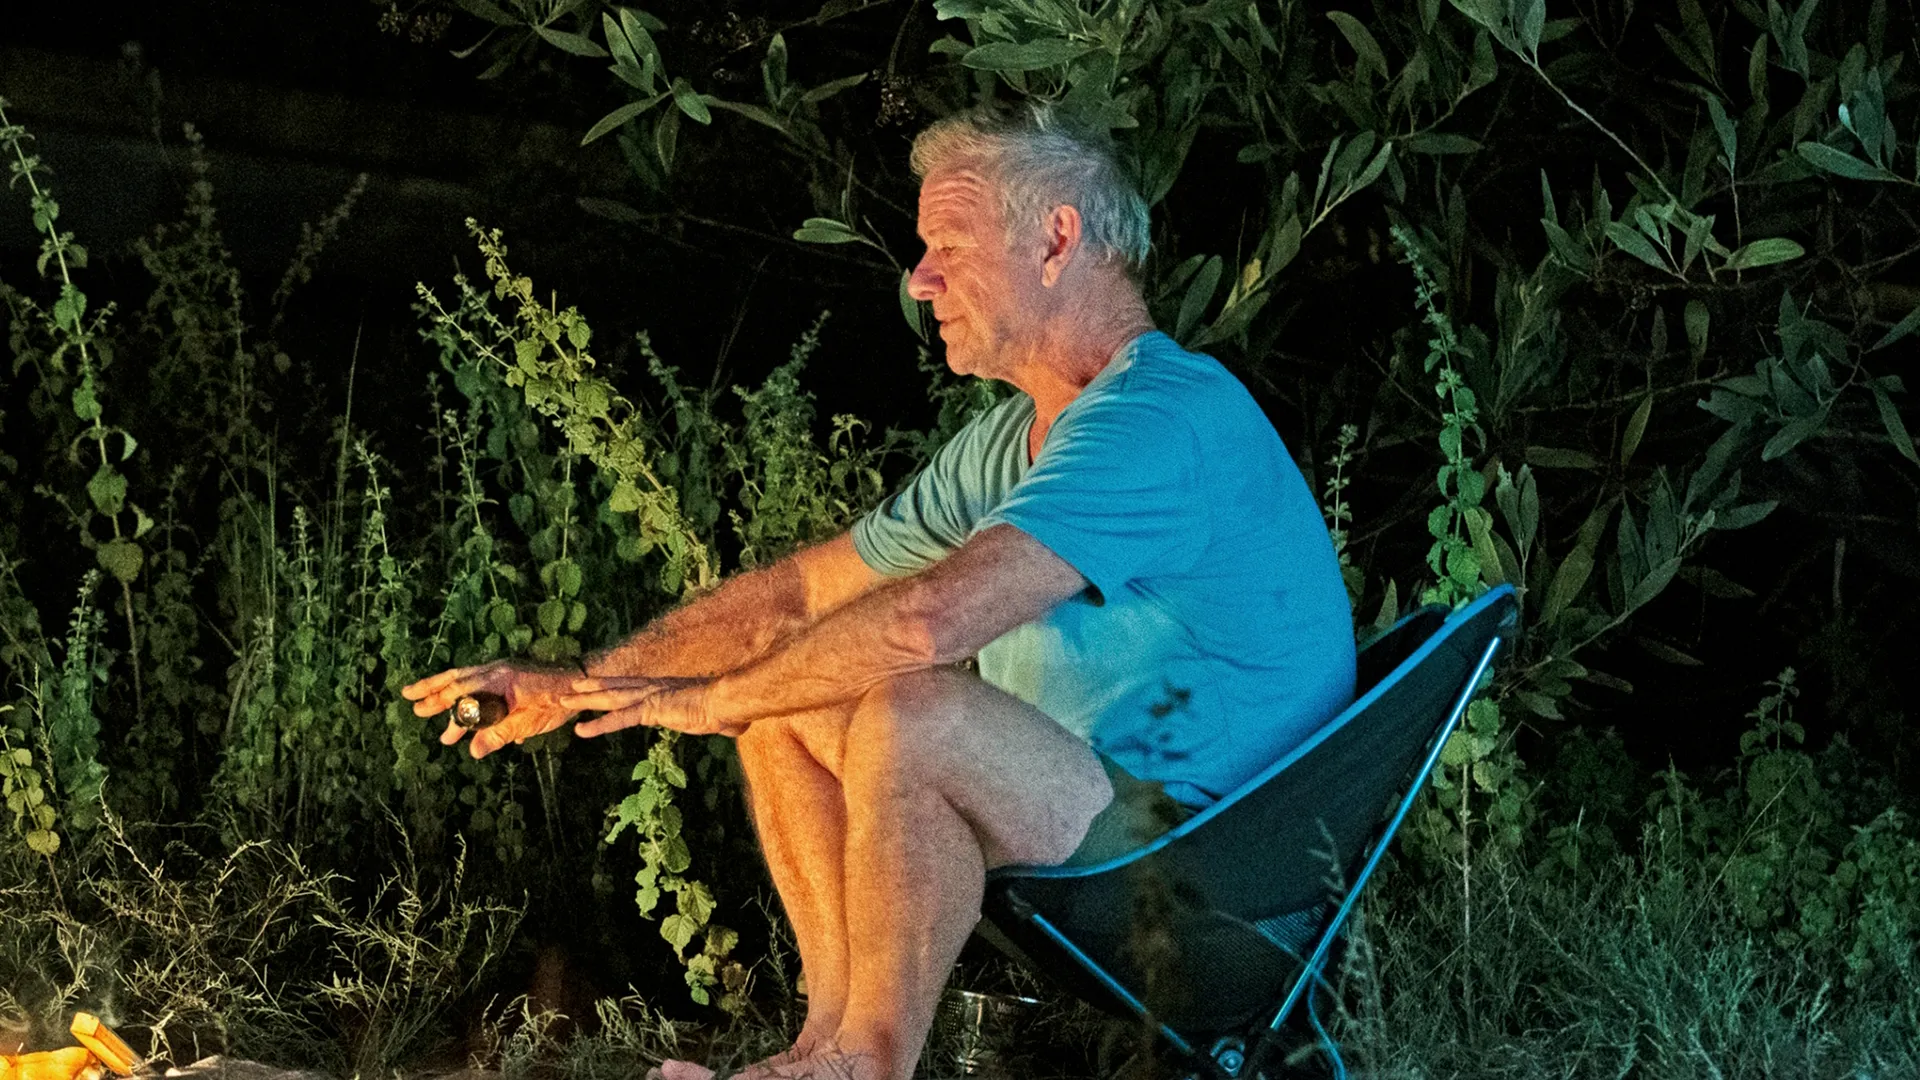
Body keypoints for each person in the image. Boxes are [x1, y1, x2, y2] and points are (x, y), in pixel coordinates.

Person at [402, 102, 1355, 1080]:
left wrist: (713, 701)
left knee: (910, 709)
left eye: (948, 242)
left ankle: (863, 1066)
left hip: (1221, 881)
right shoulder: (1012, 442)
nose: (920, 277)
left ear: (1056, 237)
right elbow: (798, 598)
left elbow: (927, 623)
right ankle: (826, 1052)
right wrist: (589, 685)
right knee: (795, 705)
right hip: (1099, 828)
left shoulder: (1160, 421)